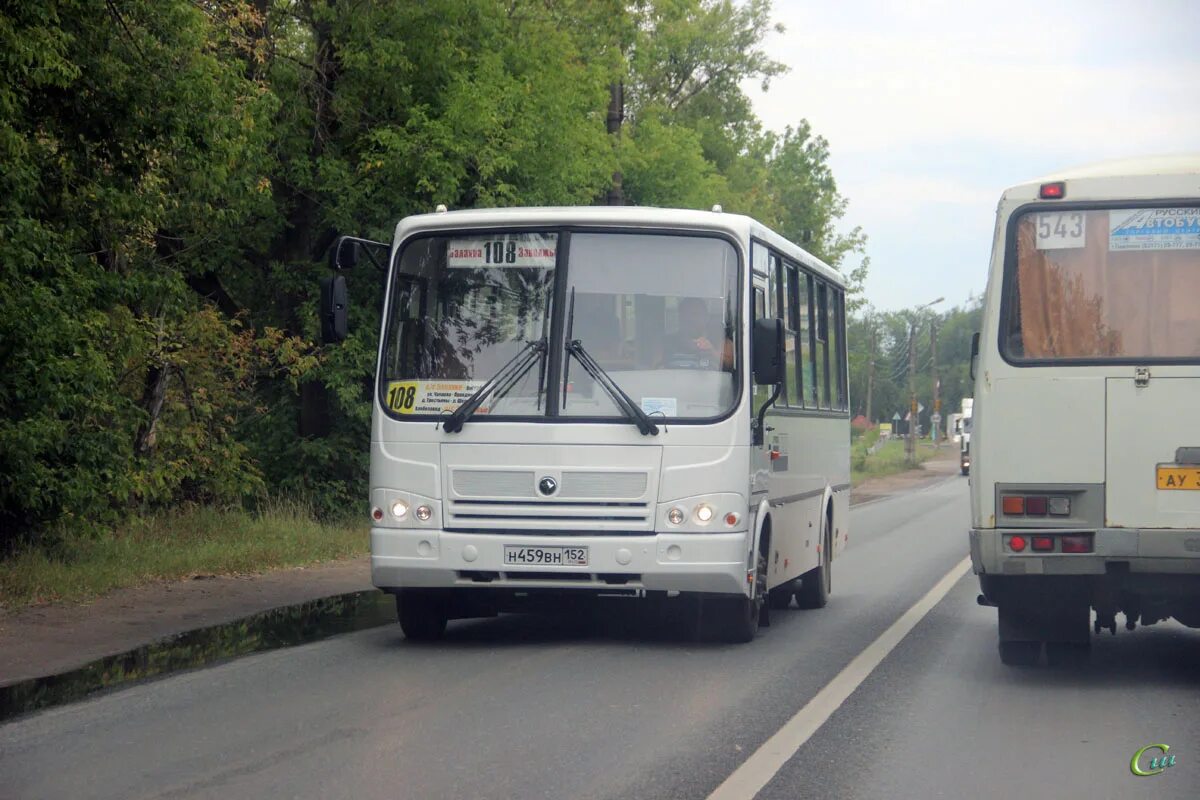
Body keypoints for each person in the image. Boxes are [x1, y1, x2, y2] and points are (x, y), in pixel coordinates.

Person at [661, 297, 734, 370]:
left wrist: (712, 352)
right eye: (685, 315)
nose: (691, 319)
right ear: (679, 318)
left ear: (706, 318)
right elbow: (653, 369)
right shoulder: (666, 343)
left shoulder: (720, 341)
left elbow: (733, 368)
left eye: (696, 314)